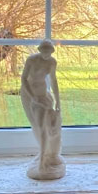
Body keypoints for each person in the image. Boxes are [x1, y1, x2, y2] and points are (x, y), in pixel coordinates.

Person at [20, 40, 65, 179]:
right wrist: (33, 97)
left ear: (52, 51)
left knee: (47, 126)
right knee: (37, 126)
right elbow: (24, 79)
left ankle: (48, 155)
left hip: (43, 95)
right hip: (29, 95)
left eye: (49, 51)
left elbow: (54, 81)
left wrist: (58, 100)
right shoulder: (32, 60)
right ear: (40, 50)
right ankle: (43, 156)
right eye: (44, 51)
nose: (47, 54)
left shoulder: (52, 62)